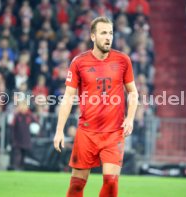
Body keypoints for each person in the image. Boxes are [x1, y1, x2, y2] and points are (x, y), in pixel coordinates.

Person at [53, 16, 138, 197]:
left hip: (114, 132)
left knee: (111, 181)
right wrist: (59, 130)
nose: (108, 37)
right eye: (103, 33)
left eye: (111, 33)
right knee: (76, 185)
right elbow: (68, 98)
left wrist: (130, 118)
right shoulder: (79, 62)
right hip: (87, 132)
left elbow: (133, 92)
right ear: (93, 36)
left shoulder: (123, 60)